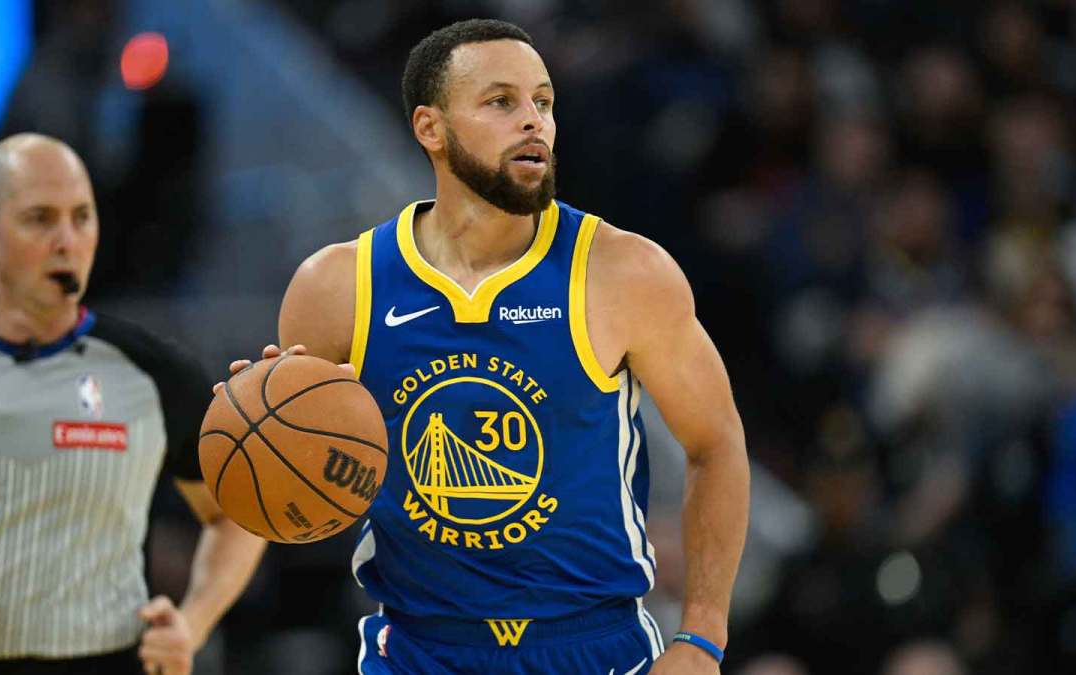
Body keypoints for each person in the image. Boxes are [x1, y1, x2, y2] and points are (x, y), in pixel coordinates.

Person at [232, 19, 750, 674]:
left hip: (593, 648)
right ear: (431, 128)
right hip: (418, 650)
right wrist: (264, 425)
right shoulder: (336, 287)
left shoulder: (623, 272)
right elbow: (306, 490)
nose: (534, 120)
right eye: (501, 101)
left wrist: (701, 637)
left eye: (544, 101)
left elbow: (716, 442)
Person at [0, 133, 267, 675]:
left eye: (82, 217)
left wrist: (194, 623)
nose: (67, 240)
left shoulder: (152, 370)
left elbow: (239, 513)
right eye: (40, 219)